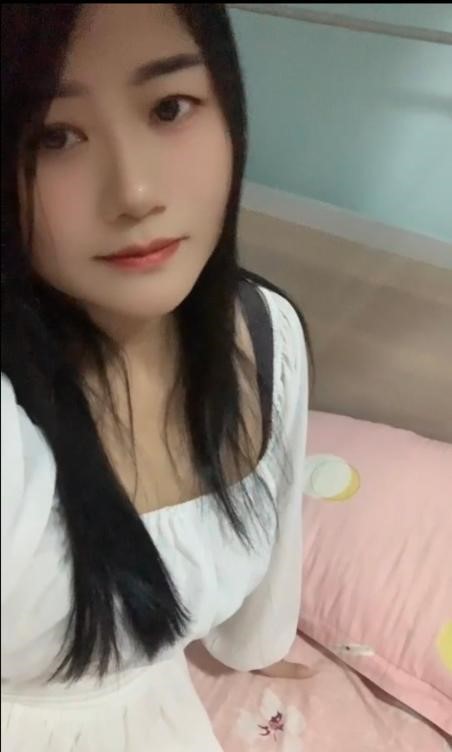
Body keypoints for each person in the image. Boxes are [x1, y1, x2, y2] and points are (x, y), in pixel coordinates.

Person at [1, 4, 313, 750]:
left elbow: (269, 575)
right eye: (54, 136)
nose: (136, 192)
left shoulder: (264, 335)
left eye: (170, 108)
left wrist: (260, 649)